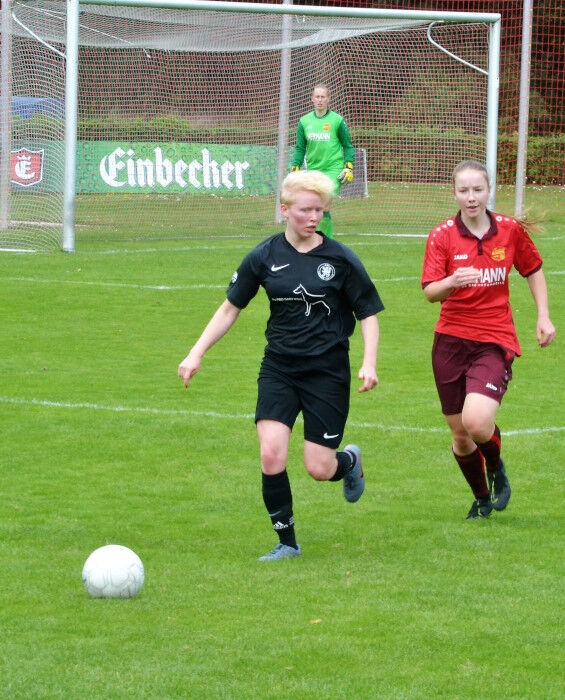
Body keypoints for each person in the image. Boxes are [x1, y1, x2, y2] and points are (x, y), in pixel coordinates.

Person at [178, 170, 384, 560]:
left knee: (319, 468)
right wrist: (196, 352)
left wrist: (369, 362)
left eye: (320, 210)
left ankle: (348, 462)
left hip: (327, 372)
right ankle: (287, 543)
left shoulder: (339, 259)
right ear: (285, 209)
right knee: (271, 454)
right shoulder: (264, 256)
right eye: (306, 210)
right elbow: (230, 308)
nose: (314, 217)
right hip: (279, 369)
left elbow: (368, 313)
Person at [421, 159, 555, 519]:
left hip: (494, 337)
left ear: (488, 190)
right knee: (461, 435)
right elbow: (430, 293)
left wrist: (543, 315)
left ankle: (495, 466)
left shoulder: (509, 230)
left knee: (477, 422)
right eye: (463, 190)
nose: (471, 197)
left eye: (477, 189)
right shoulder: (441, 235)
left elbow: (533, 269)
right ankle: (482, 499)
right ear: (454, 193)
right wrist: (451, 282)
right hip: (450, 340)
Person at [291, 84, 356, 239]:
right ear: (312, 99)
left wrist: (348, 167)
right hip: (313, 171)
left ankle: (325, 241)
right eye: (317, 97)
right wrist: (295, 168)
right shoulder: (304, 121)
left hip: (333, 169)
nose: (320, 100)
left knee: (324, 203)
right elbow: (300, 148)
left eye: (323, 97)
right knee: (315, 206)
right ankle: (319, 239)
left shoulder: (337, 120)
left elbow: (348, 146)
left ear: (328, 99)